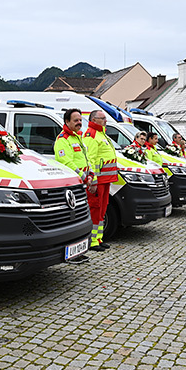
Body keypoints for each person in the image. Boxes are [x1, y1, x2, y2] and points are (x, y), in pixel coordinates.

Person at [54, 108, 94, 263]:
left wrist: (90, 174)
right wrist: (83, 176)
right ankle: (68, 253)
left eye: (80, 120)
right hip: (71, 187)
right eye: (76, 120)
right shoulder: (63, 139)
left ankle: (77, 251)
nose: (79, 123)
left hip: (81, 185)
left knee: (80, 220)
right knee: (71, 221)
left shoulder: (78, 137)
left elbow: (86, 158)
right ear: (67, 122)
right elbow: (66, 162)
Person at [83, 110, 118, 251]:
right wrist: (93, 180)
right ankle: (92, 241)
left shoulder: (101, 133)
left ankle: (98, 238)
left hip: (106, 179)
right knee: (95, 209)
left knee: (102, 210)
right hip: (98, 180)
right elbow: (90, 159)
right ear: (94, 119)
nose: (105, 120)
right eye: (102, 118)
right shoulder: (91, 135)